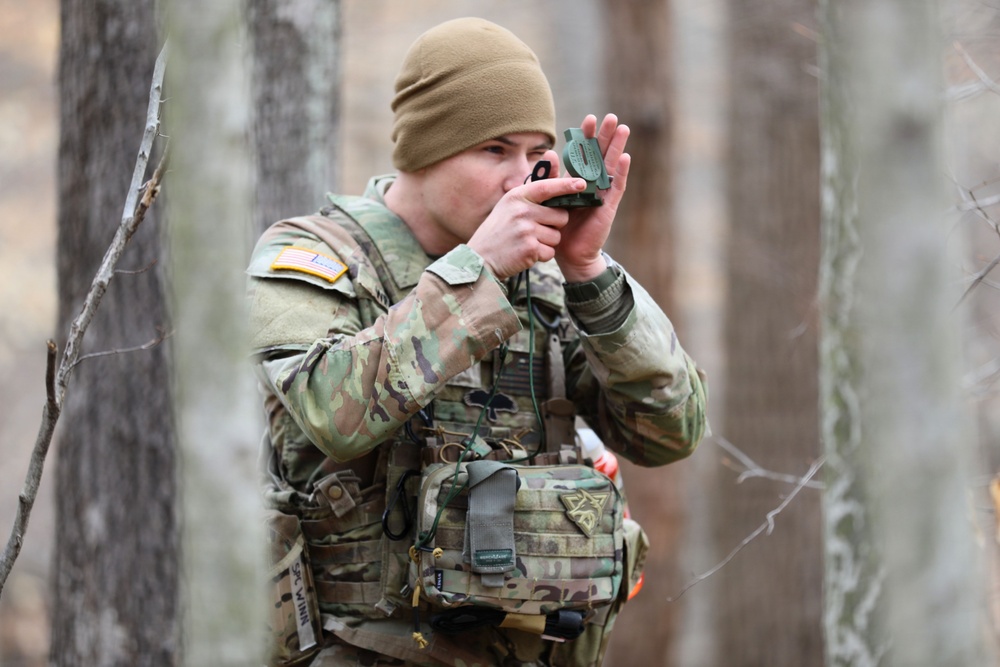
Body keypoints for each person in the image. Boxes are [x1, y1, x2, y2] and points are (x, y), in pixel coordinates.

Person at [248, 17, 708, 667]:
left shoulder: (545, 286)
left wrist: (589, 272)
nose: (519, 179)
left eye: (534, 154)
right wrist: (476, 274)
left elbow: (672, 431)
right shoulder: (313, 259)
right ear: (423, 150)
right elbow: (333, 412)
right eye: (494, 150)